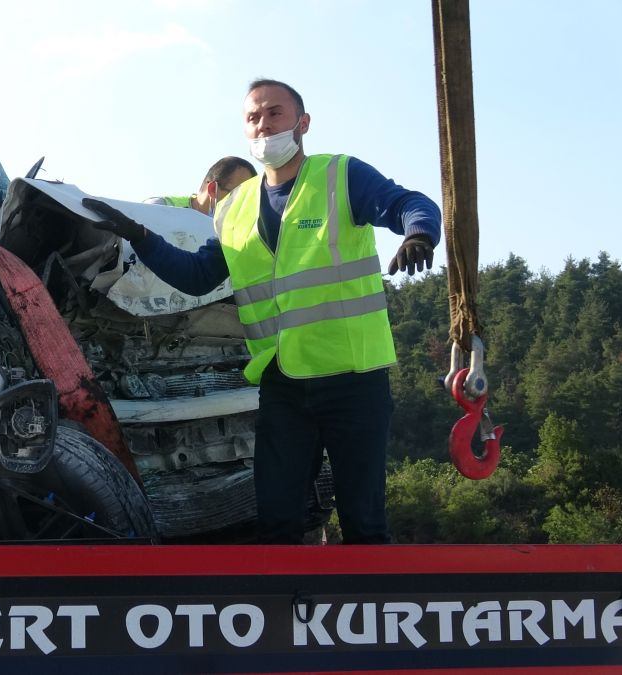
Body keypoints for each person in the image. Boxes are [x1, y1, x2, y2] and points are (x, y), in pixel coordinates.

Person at [82, 79, 440, 544]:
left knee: (364, 521)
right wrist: (142, 238)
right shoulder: (234, 207)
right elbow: (197, 277)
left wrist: (419, 234)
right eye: (254, 117)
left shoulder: (340, 176)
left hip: (352, 379)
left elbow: (408, 203)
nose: (264, 125)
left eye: (275, 113)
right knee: (276, 518)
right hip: (282, 383)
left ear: (302, 123)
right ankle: (284, 612)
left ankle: (367, 611)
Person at [144, 157, 257, 215]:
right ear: (212, 189)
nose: (242, 205)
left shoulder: (232, 233)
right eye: (237, 196)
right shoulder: (158, 207)